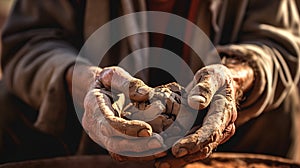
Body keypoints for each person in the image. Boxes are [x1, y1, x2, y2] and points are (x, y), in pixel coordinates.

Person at [0, 0, 299, 166]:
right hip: (79, 136)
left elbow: (278, 47)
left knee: (280, 106)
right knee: (7, 105)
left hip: (231, 139)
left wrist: (234, 79)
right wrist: (86, 83)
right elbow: (28, 41)